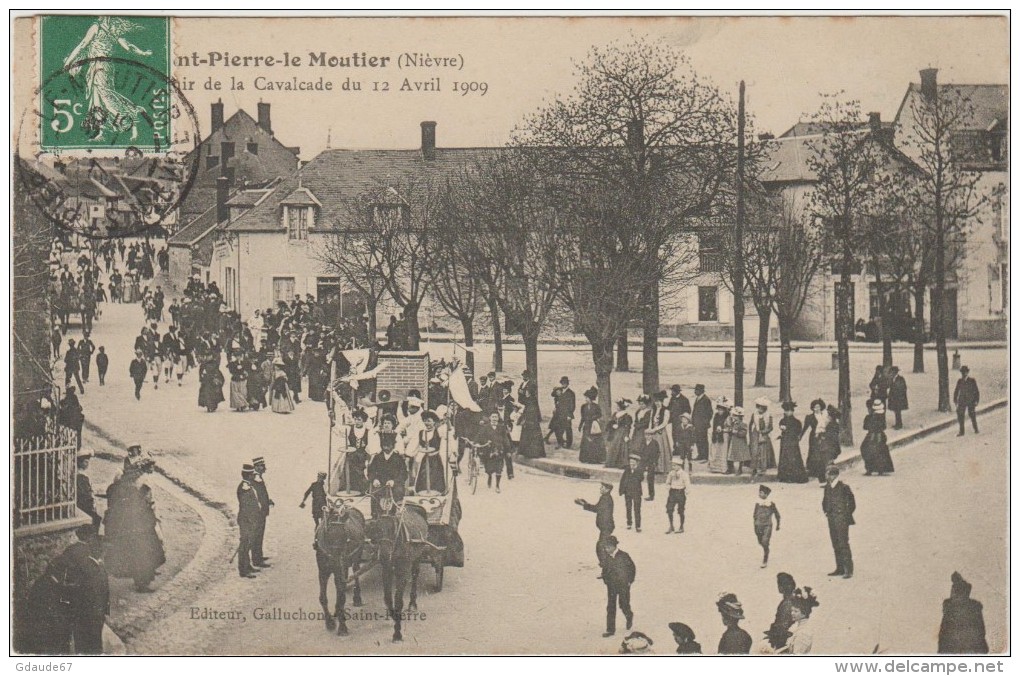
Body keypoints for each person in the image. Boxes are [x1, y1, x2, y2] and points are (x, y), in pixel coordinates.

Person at [103, 459, 165, 592]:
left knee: (142, 553)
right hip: (140, 528)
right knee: (143, 554)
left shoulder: (130, 489)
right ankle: (142, 583)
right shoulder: (136, 491)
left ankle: (143, 579)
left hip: (138, 526)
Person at [938, 572, 989, 654]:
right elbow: (944, 632)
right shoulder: (972, 607)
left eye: (954, 591)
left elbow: (980, 630)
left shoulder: (953, 607)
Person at [822, 465, 856, 579]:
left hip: (841, 519)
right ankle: (840, 568)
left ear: (834, 475)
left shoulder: (844, 487)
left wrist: (845, 515)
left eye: (828, 474)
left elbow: (852, 503)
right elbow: (825, 501)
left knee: (843, 543)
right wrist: (826, 511)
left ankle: (848, 570)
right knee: (835, 543)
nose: (826, 476)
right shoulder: (828, 486)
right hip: (831, 518)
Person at [600, 535, 636, 638]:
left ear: (614, 546)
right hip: (611, 586)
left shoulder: (624, 556)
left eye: (607, 547)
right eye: (605, 548)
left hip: (623, 585)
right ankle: (610, 629)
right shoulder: (607, 558)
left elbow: (632, 568)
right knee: (611, 607)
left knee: (623, 604)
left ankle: (629, 615)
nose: (606, 549)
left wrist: (630, 581)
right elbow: (605, 570)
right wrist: (605, 579)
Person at [575, 481, 615, 570]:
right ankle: (607, 566)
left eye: (602, 487)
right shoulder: (605, 497)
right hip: (606, 527)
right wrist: (585, 503)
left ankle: (606, 567)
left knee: (601, 547)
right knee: (603, 547)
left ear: (608, 490)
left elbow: (597, 509)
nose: (600, 488)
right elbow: (597, 508)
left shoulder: (606, 499)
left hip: (606, 527)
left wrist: (584, 504)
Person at [236, 463, 261, 579]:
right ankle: (243, 569)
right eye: (252, 474)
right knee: (245, 544)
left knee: (248, 543)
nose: (253, 476)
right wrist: (252, 520)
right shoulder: (244, 487)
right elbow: (246, 507)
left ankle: (247, 565)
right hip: (246, 520)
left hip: (250, 520)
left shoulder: (248, 485)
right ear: (248, 475)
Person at [776, 588, 819, 654]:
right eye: (792, 610)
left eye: (796, 611)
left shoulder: (804, 632)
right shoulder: (798, 628)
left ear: (804, 612)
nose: (792, 613)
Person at [477, 411, 511, 492]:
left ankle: (497, 485)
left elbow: (506, 439)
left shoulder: (502, 427)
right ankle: (489, 476)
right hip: (488, 452)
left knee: (499, 469)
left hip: (499, 451)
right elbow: (480, 437)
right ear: (490, 418)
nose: (494, 419)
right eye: (493, 417)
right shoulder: (485, 427)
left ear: (498, 418)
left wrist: (508, 450)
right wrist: (485, 441)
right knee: (489, 469)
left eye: (496, 417)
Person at [777, 401, 809, 483]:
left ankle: (795, 476)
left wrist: (789, 431)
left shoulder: (796, 422)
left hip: (792, 442)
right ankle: (785, 476)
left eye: (789, 411)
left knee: (793, 458)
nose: (787, 412)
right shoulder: (782, 420)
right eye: (786, 411)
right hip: (784, 441)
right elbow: (781, 428)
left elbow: (798, 431)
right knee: (784, 457)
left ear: (792, 411)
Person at [765, 572, 798, 650]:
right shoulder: (792, 600)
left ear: (781, 587)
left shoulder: (786, 603)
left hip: (783, 639)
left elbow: (782, 626)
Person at [861, 399, 894, 476]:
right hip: (879, 436)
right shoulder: (880, 417)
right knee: (880, 452)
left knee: (867, 450)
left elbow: (865, 427)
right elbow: (883, 427)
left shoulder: (869, 417)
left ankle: (870, 469)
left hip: (872, 436)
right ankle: (880, 469)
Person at [251, 457, 274, 568]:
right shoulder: (255, 478)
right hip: (258, 512)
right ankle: (256, 560)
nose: (264, 468)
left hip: (261, 511)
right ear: (256, 467)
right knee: (257, 535)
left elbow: (262, 495)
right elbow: (255, 496)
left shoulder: (258, 477)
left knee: (260, 534)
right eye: (261, 466)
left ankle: (259, 556)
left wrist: (267, 501)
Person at [646, 391, 673, 482]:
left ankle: (661, 468)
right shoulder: (653, 410)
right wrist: (650, 429)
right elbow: (651, 421)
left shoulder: (666, 410)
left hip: (660, 433)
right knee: (652, 449)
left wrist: (655, 429)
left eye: (659, 401)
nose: (657, 403)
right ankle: (653, 467)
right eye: (656, 401)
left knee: (661, 448)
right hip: (653, 432)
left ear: (662, 401)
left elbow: (664, 423)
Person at [753, 485, 781, 568]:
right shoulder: (757, 503)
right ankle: (766, 548)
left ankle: (765, 558)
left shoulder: (771, 504)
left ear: (766, 494)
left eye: (761, 493)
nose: (759, 494)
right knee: (760, 541)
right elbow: (754, 514)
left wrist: (778, 525)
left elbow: (777, 515)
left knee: (765, 542)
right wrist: (755, 524)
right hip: (758, 526)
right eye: (759, 492)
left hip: (767, 525)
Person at [748, 397, 776, 479]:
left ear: (765, 408)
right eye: (758, 407)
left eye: (762, 408)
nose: (760, 409)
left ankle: (762, 467)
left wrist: (764, 432)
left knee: (763, 451)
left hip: (764, 434)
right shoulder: (754, 414)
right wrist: (751, 434)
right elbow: (751, 424)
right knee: (755, 451)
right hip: (755, 434)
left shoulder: (768, 416)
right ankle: (754, 468)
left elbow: (771, 427)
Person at [578, 386, 606, 464]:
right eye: (585, 397)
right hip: (586, 426)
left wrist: (593, 418)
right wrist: (580, 425)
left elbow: (599, 415)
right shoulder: (583, 407)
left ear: (591, 398)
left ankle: (594, 459)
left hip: (593, 426)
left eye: (587, 398)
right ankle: (585, 458)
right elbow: (582, 417)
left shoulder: (596, 406)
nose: (586, 399)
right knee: (586, 442)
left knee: (594, 442)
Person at [76, 449, 102, 529]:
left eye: (88, 462)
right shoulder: (80, 477)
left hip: (86, 503)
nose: (87, 464)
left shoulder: (83, 474)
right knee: (96, 519)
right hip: (84, 504)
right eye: (85, 462)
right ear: (80, 463)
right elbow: (85, 493)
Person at [803, 399, 827, 483]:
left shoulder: (824, 416)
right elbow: (805, 427)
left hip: (823, 436)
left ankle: (820, 470)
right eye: (815, 407)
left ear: (821, 407)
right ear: (812, 408)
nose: (817, 408)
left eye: (818, 407)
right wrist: (800, 436)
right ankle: (812, 470)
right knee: (813, 452)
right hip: (814, 436)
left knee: (822, 452)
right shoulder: (809, 417)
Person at [604, 398, 633, 469]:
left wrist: (626, 435)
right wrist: (612, 425)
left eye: (618, 406)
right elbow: (610, 422)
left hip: (621, 433)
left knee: (621, 447)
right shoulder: (615, 414)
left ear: (621, 407)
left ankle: (620, 463)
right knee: (612, 446)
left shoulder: (626, 416)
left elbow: (627, 426)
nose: (616, 407)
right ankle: (611, 463)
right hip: (614, 432)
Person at [665, 458, 691, 534]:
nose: (673, 467)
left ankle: (681, 526)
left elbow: (687, 483)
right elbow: (668, 482)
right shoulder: (671, 473)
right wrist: (668, 487)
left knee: (681, 510)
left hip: (680, 492)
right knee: (669, 509)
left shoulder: (684, 474)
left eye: (675, 465)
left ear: (679, 466)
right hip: (672, 492)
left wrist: (686, 491)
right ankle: (671, 526)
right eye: (673, 465)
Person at [619, 454, 643, 532]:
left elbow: (641, 478)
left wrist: (635, 470)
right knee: (628, 508)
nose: (631, 464)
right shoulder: (627, 470)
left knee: (637, 509)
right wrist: (621, 490)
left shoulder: (639, 470)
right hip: (628, 492)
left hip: (636, 493)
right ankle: (629, 523)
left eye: (633, 462)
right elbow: (622, 480)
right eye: (630, 462)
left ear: (637, 463)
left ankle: (638, 526)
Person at [953, 366, 980, 436]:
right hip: (962, 400)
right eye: (962, 372)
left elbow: (976, 391)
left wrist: (976, 400)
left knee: (972, 415)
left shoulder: (972, 380)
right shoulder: (959, 381)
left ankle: (976, 428)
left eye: (965, 372)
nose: (963, 374)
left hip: (970, 400)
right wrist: (955, 399)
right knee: (960, 415)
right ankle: (962, 432)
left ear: (967, 372)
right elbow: (956, 391)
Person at [708, 397, 731, 474]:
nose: (720, 411)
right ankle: (715, 468)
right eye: (719, 409)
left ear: (725, 410)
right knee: (715, 451)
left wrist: (723, 429)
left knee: (723, 452)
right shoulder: (716, 416)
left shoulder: (728, 417)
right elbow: (714, 425)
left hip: (724, 436)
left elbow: (730, 428)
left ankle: (723, 468)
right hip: (716, 435)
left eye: (722, 410)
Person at [551, 376, 576, 449]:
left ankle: (568, 444)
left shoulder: (571, 393)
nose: (563, 384)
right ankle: (560, 442)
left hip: (567, 414)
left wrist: (569, 415)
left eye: (565, 383)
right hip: (558, 413)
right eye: (562, 383)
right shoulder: (559, 390)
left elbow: (572, 405)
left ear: (567, 384)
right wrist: (556, 389)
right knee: (557, 428)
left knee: (568, 429)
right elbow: (552, 395)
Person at [667, 385, 692, 456]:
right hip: (674, 422)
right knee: (674, 435)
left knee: (682, 436)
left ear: (677, 391)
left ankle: (683, 450)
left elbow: (688, 411)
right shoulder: (672, 398)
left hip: (681, 422)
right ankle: (676, 449)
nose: (671, 392)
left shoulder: (684, 399)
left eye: (673, 391)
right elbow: (669, 408)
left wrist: (684, 420)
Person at [691, 384, 713, 461]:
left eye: (696, 390)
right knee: (698, 439)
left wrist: (704, 423)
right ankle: (700, 454)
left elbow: (710, 413)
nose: (695, 391)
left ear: (701, 391)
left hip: (702, 425)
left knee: (703, 440)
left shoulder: (706, 400)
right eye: (695, 390)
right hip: (696, 424)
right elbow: (694, 412)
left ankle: (705, 456)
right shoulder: (697, 399)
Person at [726, 406, 751, 477]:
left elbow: (744, 432)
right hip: (734, 441)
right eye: (733, 415)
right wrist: (730, 430)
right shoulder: (733, 422)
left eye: (736, 416)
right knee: (732, 454)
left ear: (740, 416)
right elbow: (730, 428)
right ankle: (731, 468)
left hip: (740, 442)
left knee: (740, 456)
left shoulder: (743, 423)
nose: (734, 417)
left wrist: (737, 432)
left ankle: (740, 468)